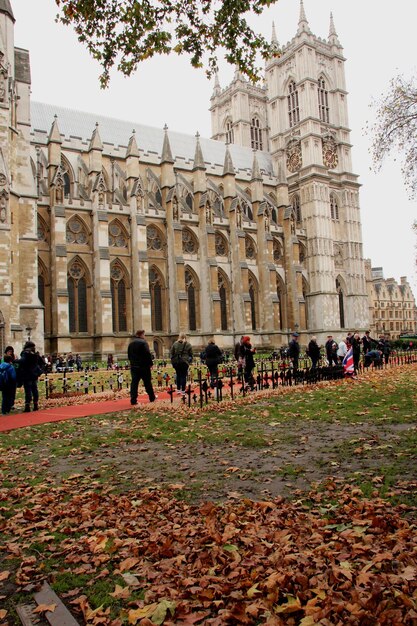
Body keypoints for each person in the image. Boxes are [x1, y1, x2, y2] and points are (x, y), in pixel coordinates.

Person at [127, 330, 157, 404]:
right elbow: (147, 354)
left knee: (134, 383)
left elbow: (129, 355)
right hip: (144, 366)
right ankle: (152, 397)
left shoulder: (131, 343)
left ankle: (133, 400)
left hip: (134, 366)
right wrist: (150, 364)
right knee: (147, 383)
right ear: (142, 335)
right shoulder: (143, 343)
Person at [18, 341, 45, 412]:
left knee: (28, 391)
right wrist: (39, 370)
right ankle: (35, 405)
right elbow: (42, 362)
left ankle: (27, 406)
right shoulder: (35, 354)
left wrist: (15, 361)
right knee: (34, 390)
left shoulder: (25, 353)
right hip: (34, 375)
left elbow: (22, 361)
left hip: (27, 375)